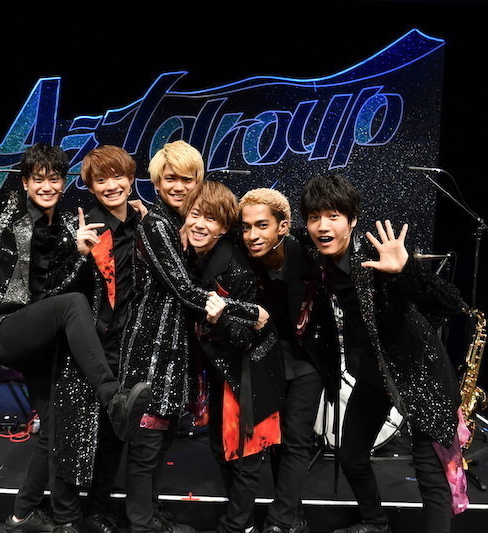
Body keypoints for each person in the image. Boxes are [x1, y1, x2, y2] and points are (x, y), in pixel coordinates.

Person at [0, 83, 151, 533]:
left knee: (53, 426)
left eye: (55, 179)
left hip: (38, 336)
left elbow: (63, 290)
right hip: (1, 328)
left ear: (63, 183)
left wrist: (85, 251)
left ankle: (22, 513)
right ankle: (113, 397)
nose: (47, 186)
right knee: (72, 305)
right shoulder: (4, 208)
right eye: (39, 179)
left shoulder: (71, 226)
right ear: (26, 182)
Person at [299, 173, 468, 533]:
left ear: (352, 220)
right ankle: (376, 523)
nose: (322, 226)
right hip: (375, 374)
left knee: (430, 475)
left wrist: (406, 271)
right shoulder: (318, 258)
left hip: (422, 374)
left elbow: (452, 302)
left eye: (333, 216)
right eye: (314, 217)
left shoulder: (376, 256)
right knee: (350, 454)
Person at [118, 141, 267, 533]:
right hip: (151, 352)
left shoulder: (174, 223)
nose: (178, 186)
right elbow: (184, 290)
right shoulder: (156, 225)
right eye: (171, 178)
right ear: (156, 180)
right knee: (147, 445)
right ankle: (142, 522)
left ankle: (150, 515)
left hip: (171, 353)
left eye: (187, 179)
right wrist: (250, 311)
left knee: (160, 442)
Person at [44, 144, 146, 533]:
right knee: (72, 433)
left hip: (127, 345)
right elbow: (55, 295)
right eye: (101, 179)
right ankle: (67, 518)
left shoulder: (144, 222)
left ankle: (99, 509)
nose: (111, 185)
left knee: (113, 434)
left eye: (118, 176)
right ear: (89, 187)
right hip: (85, 348)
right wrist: (78, 254)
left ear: (130, 179)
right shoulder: (83, 228)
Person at [180, 181, 284, 533]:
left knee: (245, 453)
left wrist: (219, 319)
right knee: (221, 449)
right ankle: (242, 522)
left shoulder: (237, 269)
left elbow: (246, 335)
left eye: (210, 219)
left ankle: (237, 526)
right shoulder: (191, 255)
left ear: (225, 228)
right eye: (195, 215)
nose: (200, 224)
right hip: (218, 370)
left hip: (247, 371)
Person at [237, 189, 334, 533]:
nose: (252, 235)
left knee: (295, 439)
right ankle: (293, 515)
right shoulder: (241, 258)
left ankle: (279, 520)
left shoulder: (308, 254)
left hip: (308, 359)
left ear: (283, 226)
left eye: (261, 225)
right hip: (267, 360)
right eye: (246, 227)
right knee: (275, 441)